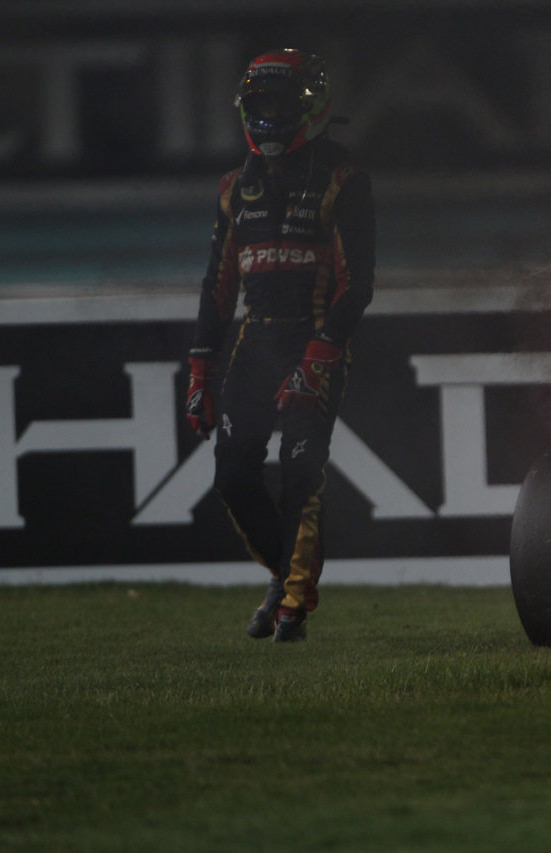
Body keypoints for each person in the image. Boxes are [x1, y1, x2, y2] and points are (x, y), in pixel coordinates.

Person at [184, 48, 376, 642]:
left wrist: (316, 362)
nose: (268, 115)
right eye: (259, 103)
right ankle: (281, 575)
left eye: (279, 103)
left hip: (313, 339)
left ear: (309, 108)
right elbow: (218, 286)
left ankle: (294, 602)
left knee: (301, 474)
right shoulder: (231, 188)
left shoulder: (344, 178)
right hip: (254, 340)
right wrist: (198, 373)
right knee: (233, 477)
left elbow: (357, 286)